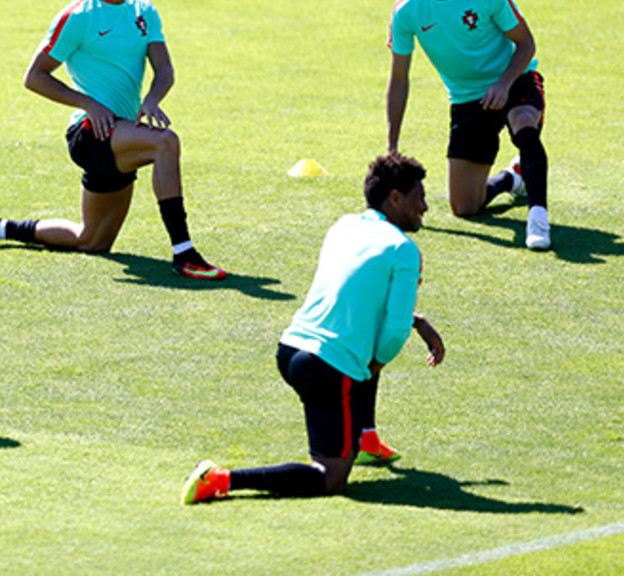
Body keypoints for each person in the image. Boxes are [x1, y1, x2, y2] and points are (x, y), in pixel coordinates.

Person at [0, 0, 225, 280]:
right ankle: (185, 253)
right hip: (90, 134)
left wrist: (152, 100)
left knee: (91, 240)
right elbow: (35, 76)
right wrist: (89, 103)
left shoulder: (144, 9)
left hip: (122, 135)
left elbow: (165, 70)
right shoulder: (77, 16)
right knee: (165, 143)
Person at [182, 153, 445, 503]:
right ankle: (218, 479)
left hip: (291, 348)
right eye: (419, 197)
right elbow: (393, 332)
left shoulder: (344, 225)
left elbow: (354, 297)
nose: (425, 207)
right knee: (330, 477)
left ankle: (364, 438)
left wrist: (417, 321)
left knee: (362, 355)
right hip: (327, 368)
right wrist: (375, 365)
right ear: (395, 198)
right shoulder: (403, 248)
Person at [386, 0, 551, 251]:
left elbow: (526, 45)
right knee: (465, 207)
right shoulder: (407, 11)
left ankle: (538, 217)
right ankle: (511, 178)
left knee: (524, 123)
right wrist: (392, 146)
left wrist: (504, 84)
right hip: (466, 98)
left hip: (514, 78)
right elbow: (399, 79)